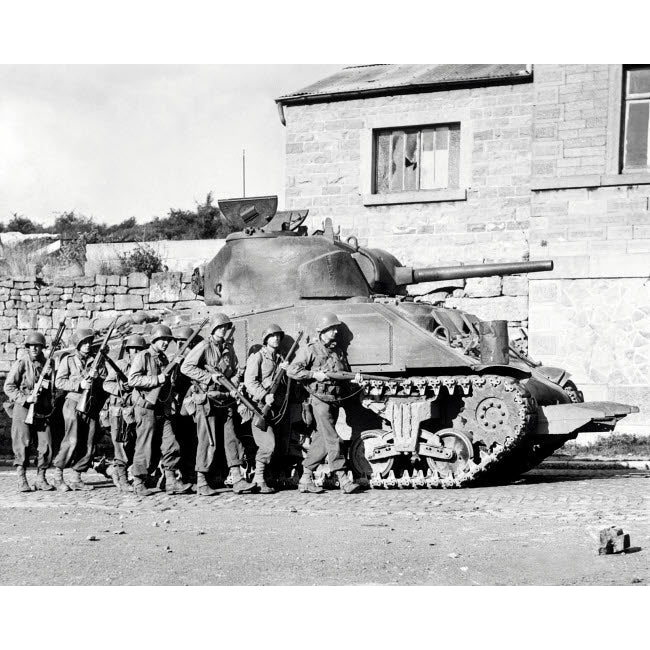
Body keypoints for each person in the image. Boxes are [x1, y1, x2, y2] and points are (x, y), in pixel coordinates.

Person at [287, 312, 362, 494]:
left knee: (321, 440)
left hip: (334, 400)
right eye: (331, 329)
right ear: (321, 331)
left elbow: (343, 374)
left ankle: (305, 478)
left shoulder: (337, 351)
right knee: (332, 438)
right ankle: (343, 478)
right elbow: (292, 370)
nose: (335, 332)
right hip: (319, 401)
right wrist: (313, 374)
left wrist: (356, 379)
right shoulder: (309, 350)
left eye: (336, 329)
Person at [181, 313, 255, 496]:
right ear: (213, 329)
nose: (223, 330)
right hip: (207, 400)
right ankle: (201, 481)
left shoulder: (228, 348)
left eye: (226, 327)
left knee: (232, 438)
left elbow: (235, 370)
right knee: (207, 441)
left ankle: (237, 479)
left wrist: (236, 384)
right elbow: (186, 367)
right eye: (220, 327)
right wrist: (208, 377)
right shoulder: (204, 346)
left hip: (225, 398)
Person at [127, 324, 192, 497]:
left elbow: (170, 385)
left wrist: (175, 367)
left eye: (167, 340)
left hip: (162, 408)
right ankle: (139, 482)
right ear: (154, 339)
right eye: (162, 339)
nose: (165, 343)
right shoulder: (143, 356)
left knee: (171, 444)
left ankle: (171, 481)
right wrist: (158, 378)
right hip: (146, 408)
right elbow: (132, 379)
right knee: (144, 446)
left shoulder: (164, 358)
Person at [52, 328, 105, 491]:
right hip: (73, 403)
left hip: (90, 405)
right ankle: (57, 476)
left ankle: (76, 477)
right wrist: (79, 385)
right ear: (78, 344)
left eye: (89, 342)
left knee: (89, 441)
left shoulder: (96, 360)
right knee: (71, 440)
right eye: (84, 343)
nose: (88, 345)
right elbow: (59, 383)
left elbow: (105, 381)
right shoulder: (68, 360)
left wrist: (97, 378)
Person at [243, 323, 291, 494]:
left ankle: (263, 478)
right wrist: (264, 395)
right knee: (268, 445)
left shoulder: (279, 358)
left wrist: (284, 370)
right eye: (272, 336)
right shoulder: (258, 357)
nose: (276, 338)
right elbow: (250, 382)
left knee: (276, 444)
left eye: (278, 336)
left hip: (273, 408)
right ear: (266, 339)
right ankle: (258, 479)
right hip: (259, 406)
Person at [4, 331, 55, 492]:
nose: (34, 348)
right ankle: (22, 478)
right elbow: (9, 387)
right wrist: (26, 398)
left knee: (46, 443)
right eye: (32, 346)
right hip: (23, 407)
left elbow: (52, 387)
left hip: (42, 409)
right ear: (28, 347)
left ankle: (41, 478)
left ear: (42, 347)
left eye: (38, 346)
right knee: (22, 442)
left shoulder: (47, 363)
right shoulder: (22, 363)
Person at [102, 334, 146, 491]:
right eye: (132, 349)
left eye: (138, 349)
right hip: (119, 411)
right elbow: (107, 384)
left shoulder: (144, 366)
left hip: (136, 410)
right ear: (128, 350)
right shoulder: (120, 364)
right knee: (120, 444)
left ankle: (124, 473)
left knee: (133, 444)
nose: (135, 352)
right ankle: (122, 480)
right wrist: (121, 388)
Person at [171, 326, 201, 484]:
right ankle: (183, 472)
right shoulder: (176, 361)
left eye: (185, 343)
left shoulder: (196, 359)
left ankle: (191, 472)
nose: (181, 347)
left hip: (194, 404)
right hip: (181, 407)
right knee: (182, 441)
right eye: (179, 343)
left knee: (193, 440)